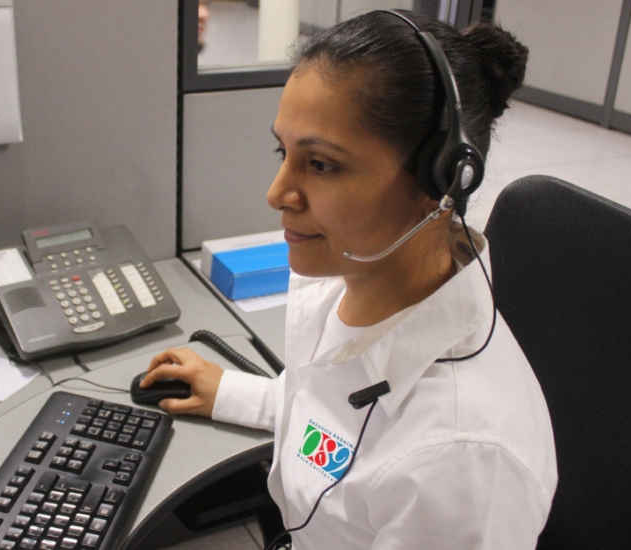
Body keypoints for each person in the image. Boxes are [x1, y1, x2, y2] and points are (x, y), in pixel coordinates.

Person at [141, 9, 557, 550]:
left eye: (321, 165)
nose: (275, 193)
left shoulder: (460, 462)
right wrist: (233, 394)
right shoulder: (350, 281)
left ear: (444, 178)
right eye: (283, 152)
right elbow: (332, 416)